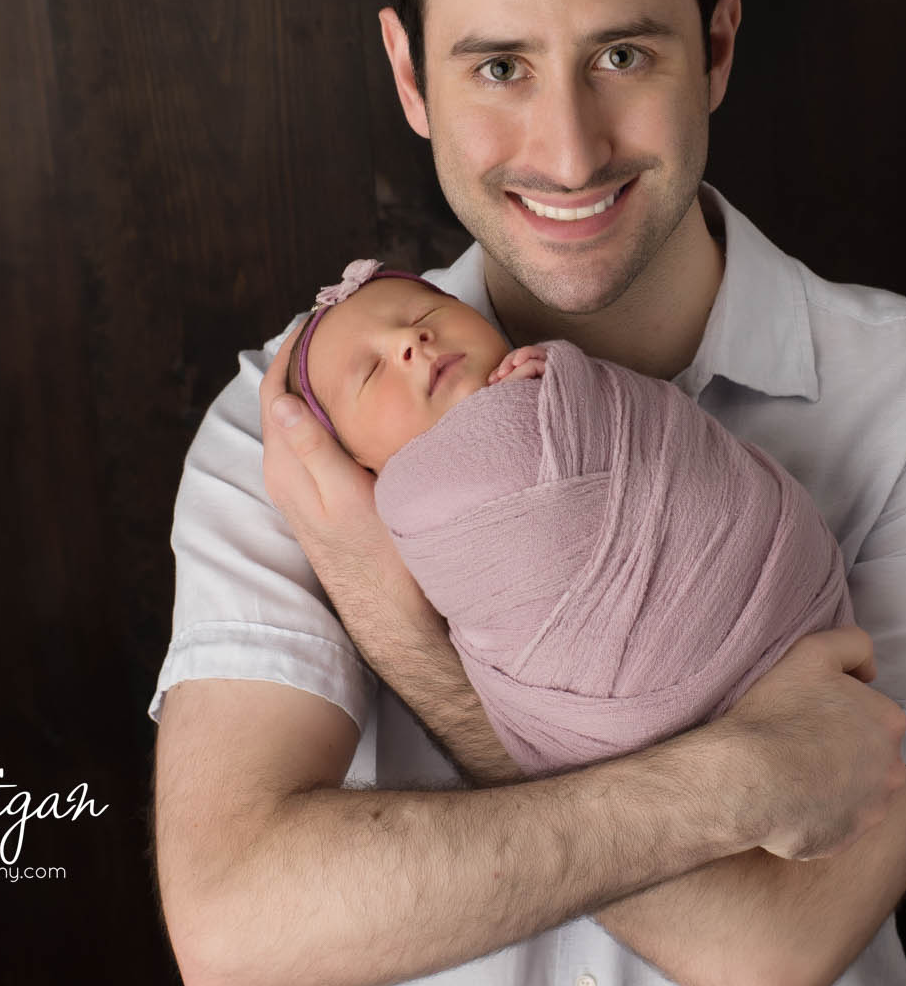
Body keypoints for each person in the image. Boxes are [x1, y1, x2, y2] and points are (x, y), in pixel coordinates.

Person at [149, 0, 906, 986]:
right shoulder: (293, 427)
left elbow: (766, 956)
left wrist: (411, 637)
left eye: (622, 53)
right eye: (497, 67)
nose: (568, 152)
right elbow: (231, 929)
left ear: (719, 46)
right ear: (408, 75)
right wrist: (733, 781)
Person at [273, 257, 858, 778]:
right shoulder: (408, 502)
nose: (411, 340)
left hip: (781, 584)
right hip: (633, 708)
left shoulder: (566, 380)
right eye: (370, 372)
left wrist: (565, 383)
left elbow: (659, 433)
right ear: (357, 463)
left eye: (426, 313)